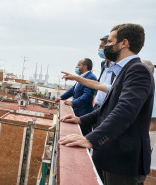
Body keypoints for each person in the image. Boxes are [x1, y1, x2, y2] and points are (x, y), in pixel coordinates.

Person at [59, 23, 154, 185]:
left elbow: (125, 111)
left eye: (109, 42)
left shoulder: (138, 70)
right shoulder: (123, 70)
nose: (106, 46)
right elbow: (109, 108)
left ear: (124, 43)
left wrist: (91, 139)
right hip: (110, 156)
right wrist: (81, 120)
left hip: (122, 161)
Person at [55, 58, 97, 135]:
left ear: (85, 67)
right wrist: (62, 97)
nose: (76, 67)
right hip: (78, 112)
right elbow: (73, 89)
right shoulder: (82, 77)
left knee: (83, 135)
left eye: (78, 65)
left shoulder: (91, 77)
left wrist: (73, 103)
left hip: (84, 114)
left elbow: (87, 96)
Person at [94, 35, 115, 109]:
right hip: (97, 108)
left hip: (107, 109)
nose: (99, 49)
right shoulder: (103, 64)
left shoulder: (117, 66)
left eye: (101, 46)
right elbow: (99, 84)